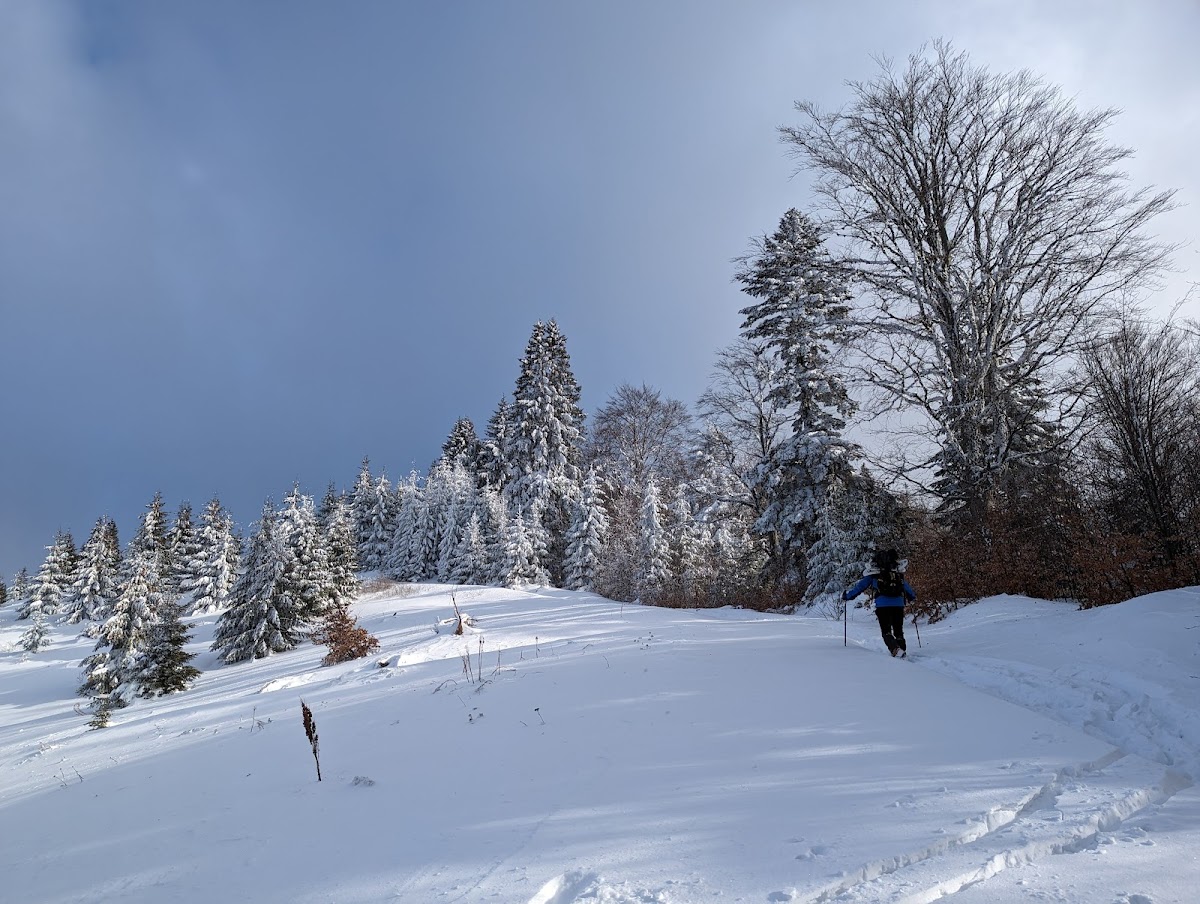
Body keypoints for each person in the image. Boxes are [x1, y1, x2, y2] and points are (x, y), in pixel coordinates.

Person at [843, 548, 917, 657]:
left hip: (882, 605)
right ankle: (902, 650)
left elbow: (860, 587)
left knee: (886, 631)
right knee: (898, 630)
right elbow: (907, 588)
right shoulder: (897, 573)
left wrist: (847, 596)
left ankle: (896, 650)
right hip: (898, 604)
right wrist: (912, 597)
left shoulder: (874, 574)